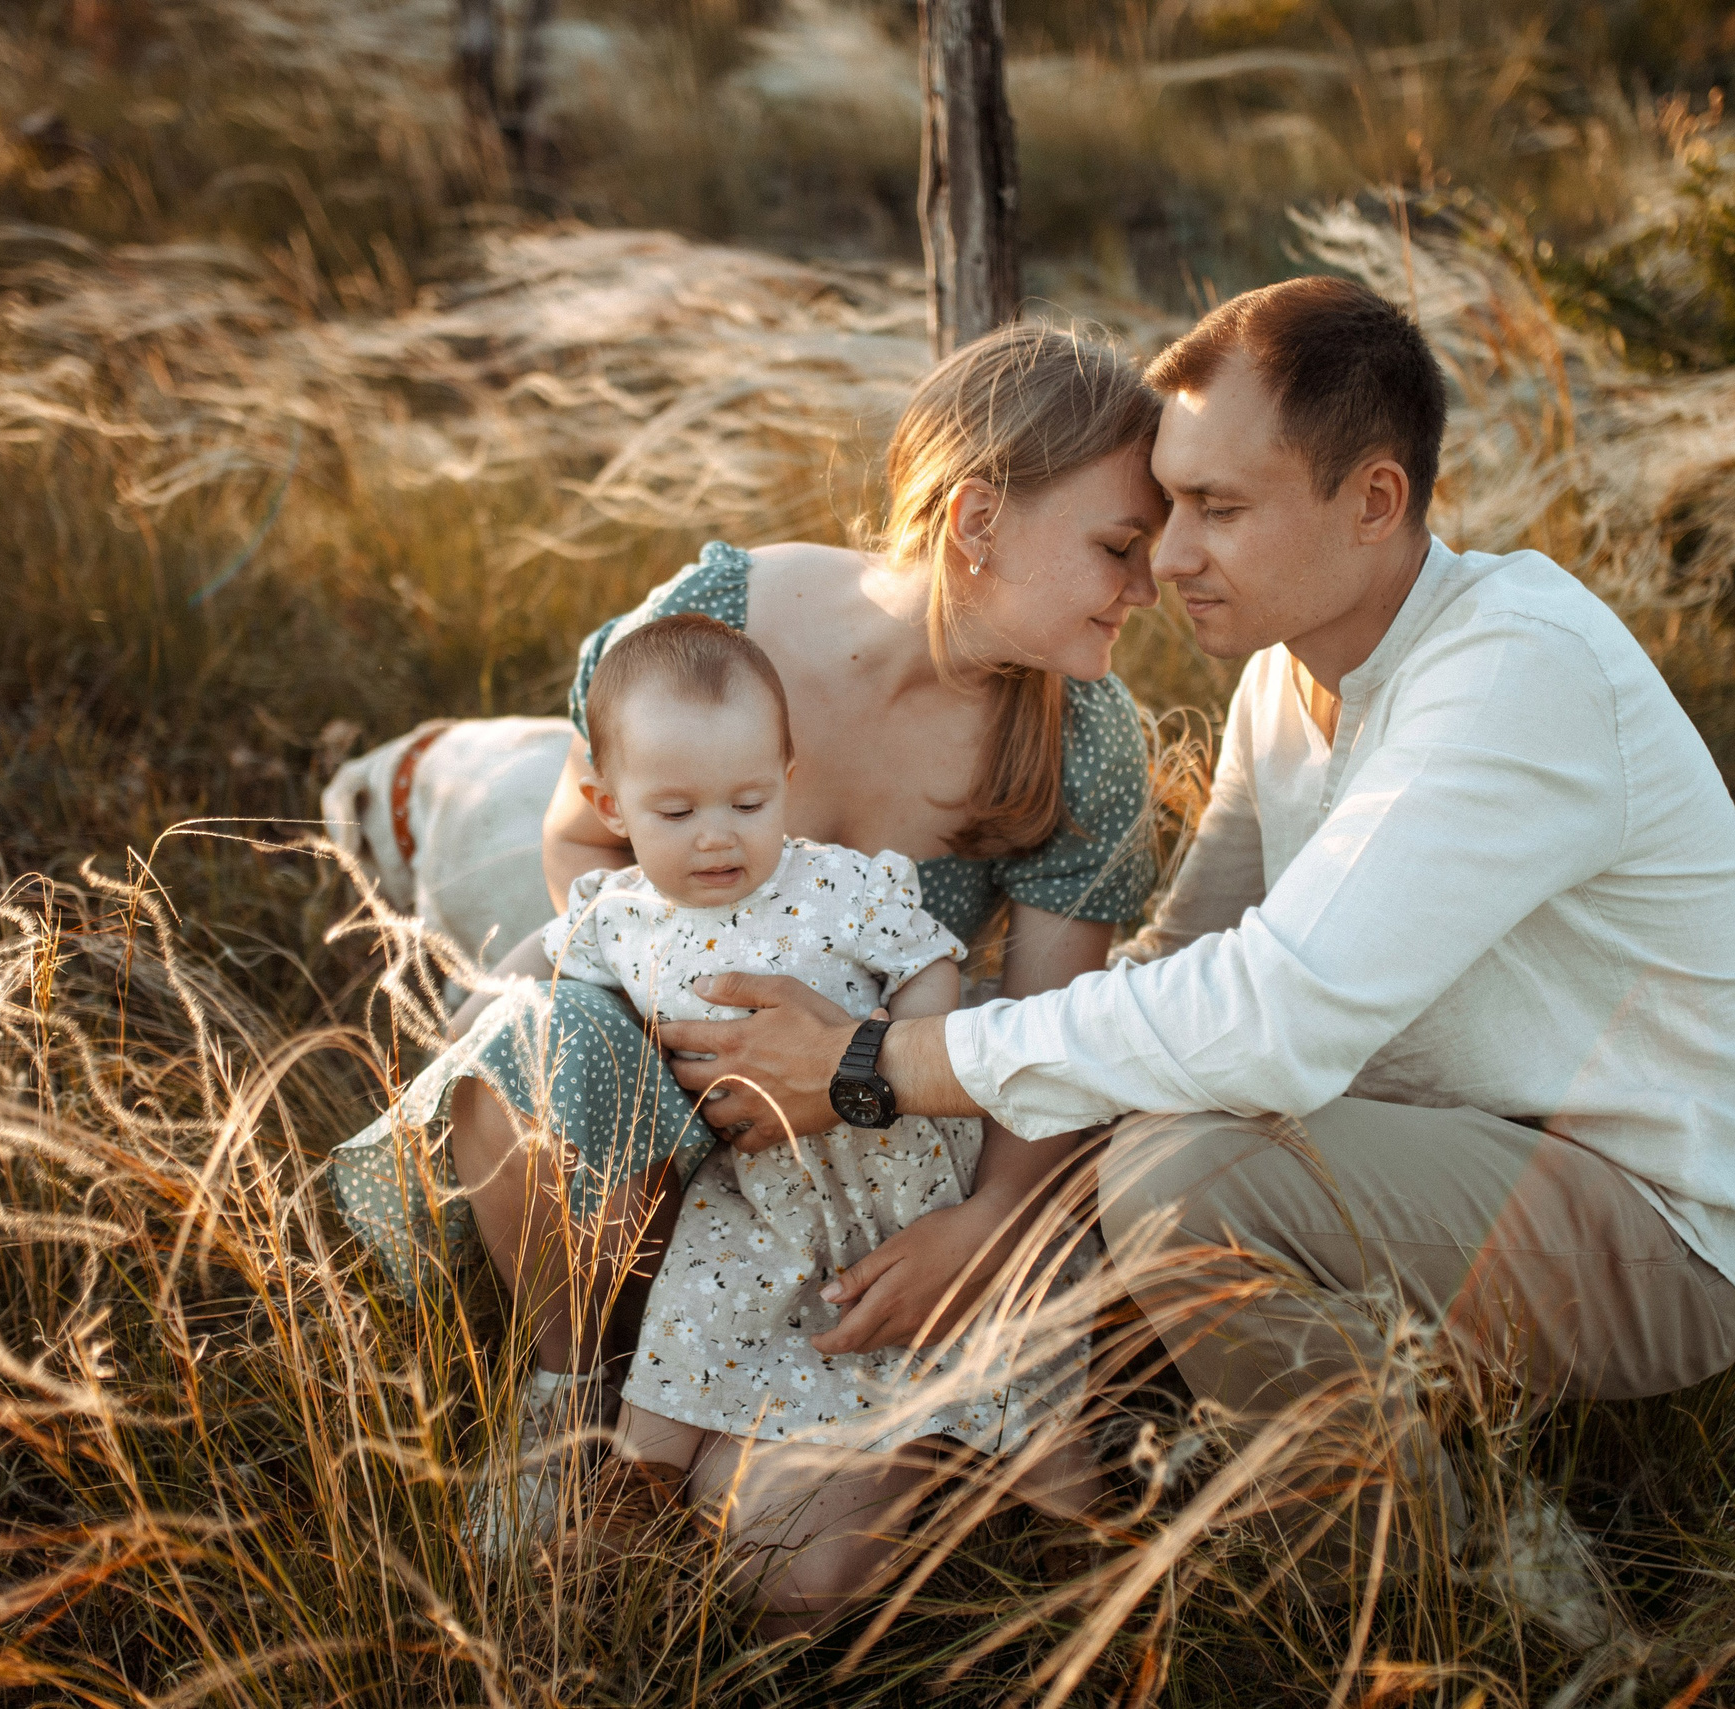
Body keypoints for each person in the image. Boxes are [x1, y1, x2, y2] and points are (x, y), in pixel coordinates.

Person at [654, 276, 1735, 1580]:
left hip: (1655, 1217)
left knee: (1179, 1178)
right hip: (1431, 1155)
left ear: (1375, 503)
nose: (1167, 557)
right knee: (1104, 1167)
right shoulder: (1289, 677)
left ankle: (1436, 1581)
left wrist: (873, 1065)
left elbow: (1272, 1019)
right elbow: (1176, 970)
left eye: (1219, 509)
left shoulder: (1512, 671)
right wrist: (979, 1191)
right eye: (1166, 506)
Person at [328, 322, 1167, 1547]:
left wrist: (984, 1227)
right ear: (977, 521)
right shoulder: (725, 615)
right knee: (525, 1039)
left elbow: (1048, 1042)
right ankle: (570, 1392)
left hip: (856, 1163)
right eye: (1117, 547)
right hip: (667, 1114)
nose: (1145, 586)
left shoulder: (1080, 737)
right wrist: (666, 1035)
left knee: (782, 1561)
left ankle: (751, 1448)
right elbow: (579, 843)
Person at [535, 612, 1095, 1629]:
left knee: (994, 1347)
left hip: (895, 1168)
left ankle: (1078, 1527)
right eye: (676, 809)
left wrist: (906, 1046)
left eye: (749, 799)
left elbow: (931, 956)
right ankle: (632, 1491)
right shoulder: (611, 918)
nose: (717, 833)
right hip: (756, 1190)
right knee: (692, 1313)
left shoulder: (833, 882)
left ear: (786, 775)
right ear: (609, 806)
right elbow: (562, 1012)